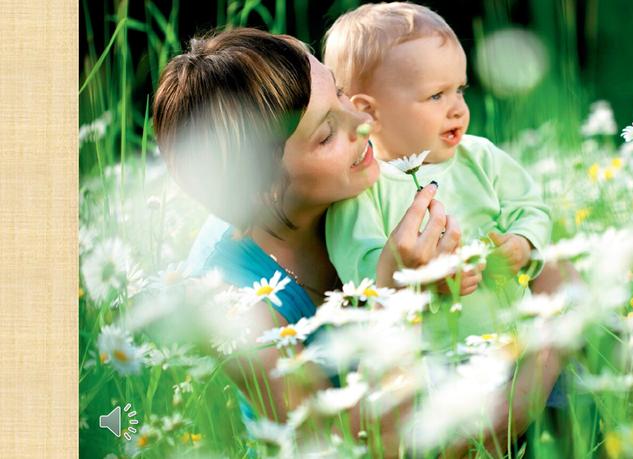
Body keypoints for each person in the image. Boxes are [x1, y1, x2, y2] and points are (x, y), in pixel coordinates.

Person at [152, 28, 560, 457]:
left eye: (342, 94)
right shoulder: (227, 299)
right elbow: (368, 446)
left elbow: (533, 251)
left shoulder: (375, 184)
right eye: (326, 134)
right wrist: (395, 299)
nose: (363, 123)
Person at [323, 2, 560, 345]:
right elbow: (361, 271)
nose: (458, 109)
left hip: (516, 342)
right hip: (435, 368)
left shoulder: (482, 156)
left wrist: (523, 243)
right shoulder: (362, 188)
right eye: (436, 95)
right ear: (368, 113)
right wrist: (423, 281)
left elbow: (531, 208)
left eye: (460, 90)